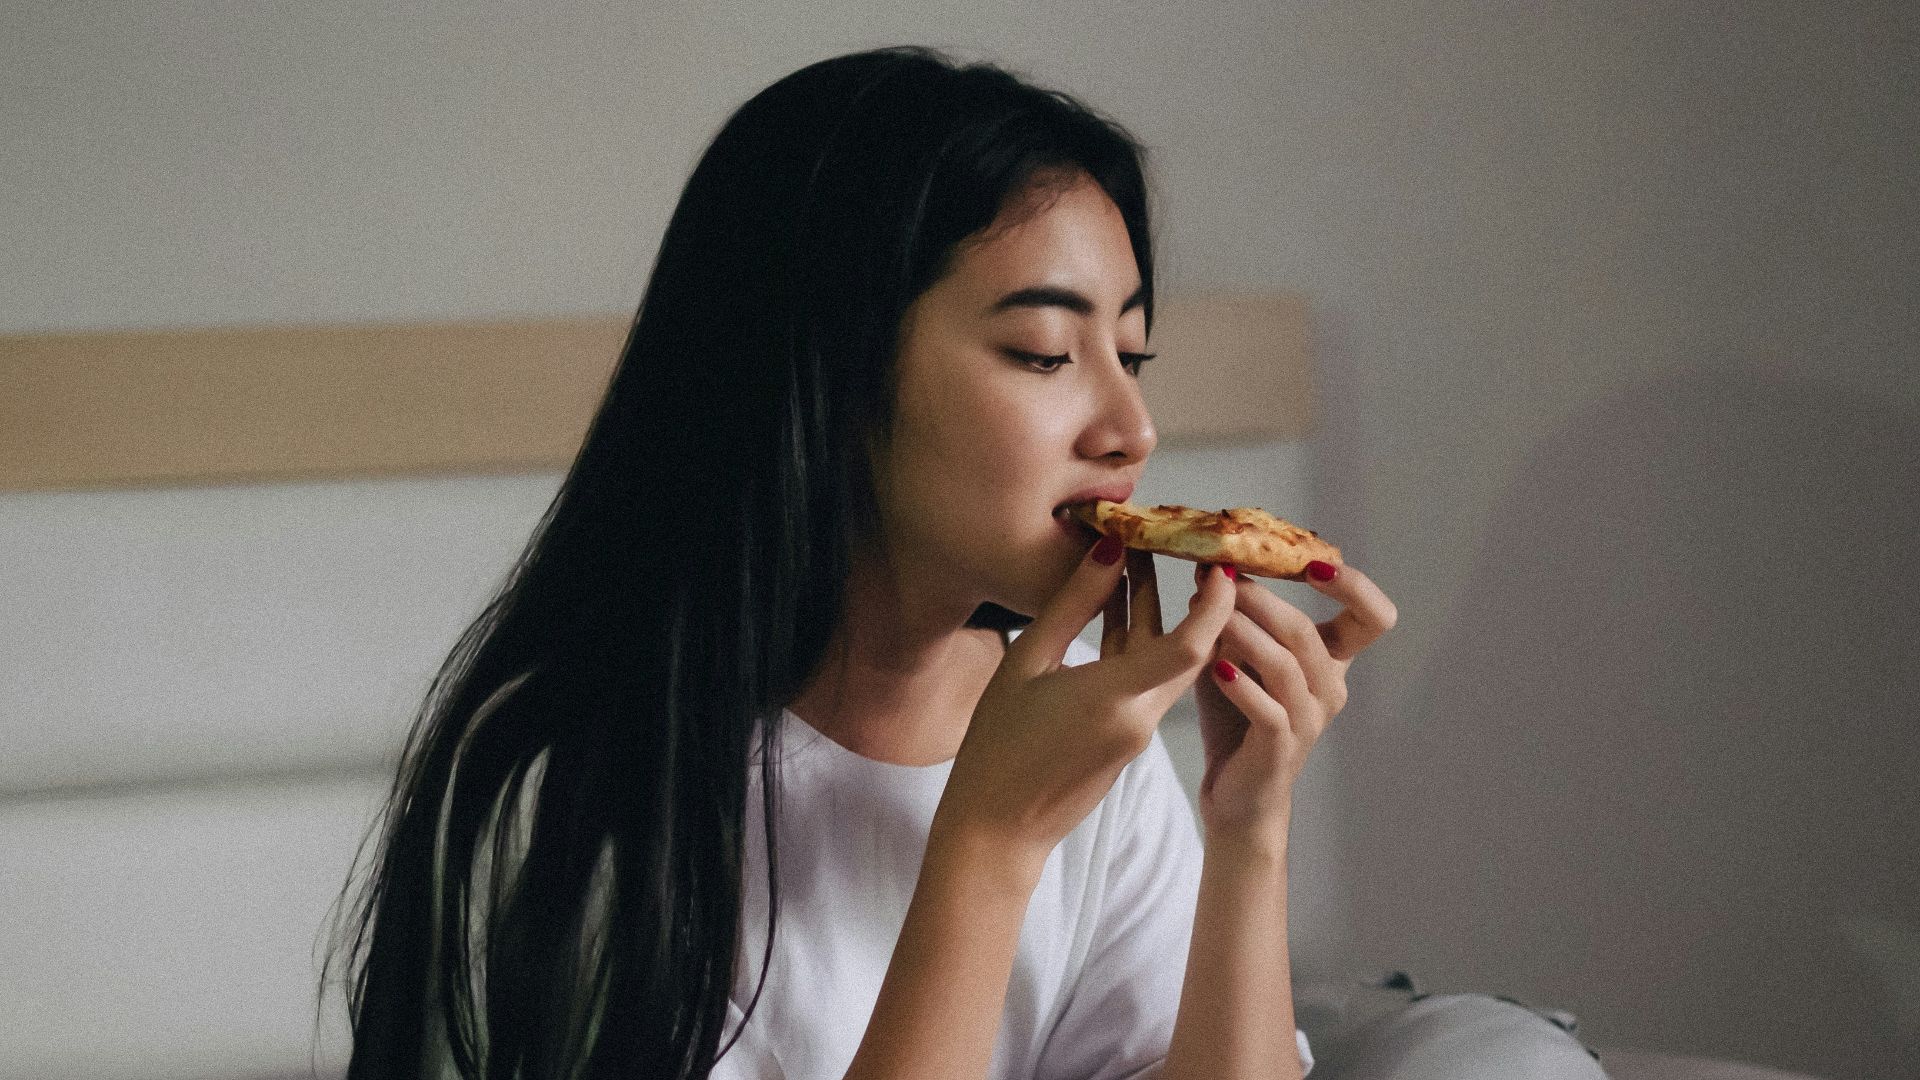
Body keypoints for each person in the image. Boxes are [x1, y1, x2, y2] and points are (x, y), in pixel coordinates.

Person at [323, 45, 1599, 1080]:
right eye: (1046, 355)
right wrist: (986, 841)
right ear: (829, 376)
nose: (1131, 430)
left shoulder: (1088, 729)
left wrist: (1247, 826)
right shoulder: (574, 786)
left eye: (1132, 356)